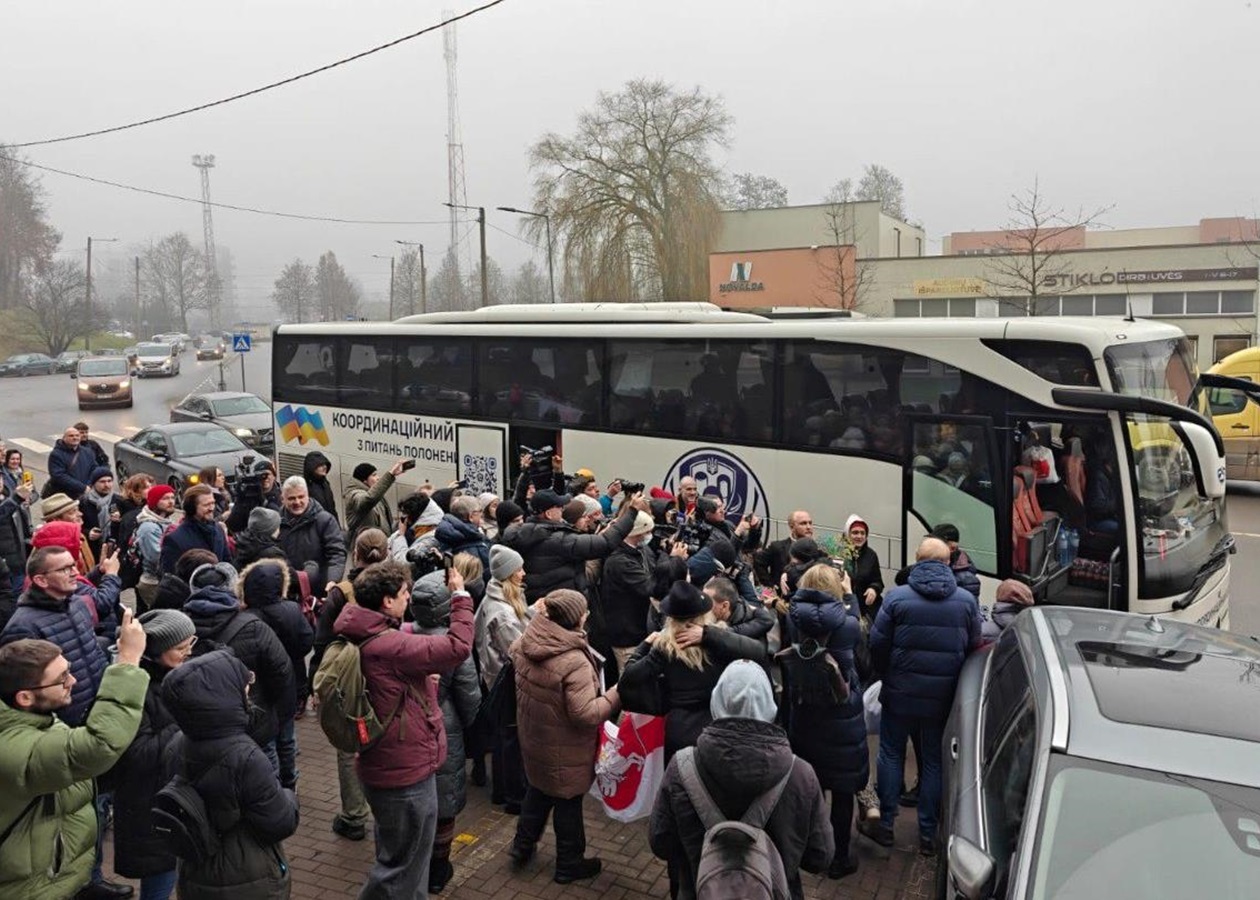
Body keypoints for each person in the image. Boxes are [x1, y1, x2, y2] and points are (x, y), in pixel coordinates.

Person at [333, 560, 474, 900]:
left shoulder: (361, 632)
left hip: (383, 764)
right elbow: (458, 646)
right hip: (404, 773)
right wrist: (460, 595)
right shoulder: (391, 646)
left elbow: (387, 686)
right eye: (403, 593)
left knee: (400, 855)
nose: (408, 597)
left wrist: (421, 681)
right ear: (386, 601)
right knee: (402, 866)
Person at [648, 660, 834, 900]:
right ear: (770, 705)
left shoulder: (682, 767)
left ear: (716, 701)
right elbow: (820, 856)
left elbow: (661, 842)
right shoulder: (801, 774)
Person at [0, 618, 148, 900]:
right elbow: (98, 745)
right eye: (62, 678)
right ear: (25, 697)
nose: (74, 681)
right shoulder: (12, 748)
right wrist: (128, 662)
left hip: (49, 875)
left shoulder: (30, 718)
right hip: (29, 889)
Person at [865, 537, 982, 855]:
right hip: (941, 697)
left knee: (890, 753)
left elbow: (877, 643)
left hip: (899, 692)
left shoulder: (896, 598)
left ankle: (887, 825)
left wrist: (887, 674)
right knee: (932, 761)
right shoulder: (965, 601)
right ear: (948, 562)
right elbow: (974, 645)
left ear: (917, 561)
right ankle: (928, 834)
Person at [162, 649, 300, 899]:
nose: (247, 689)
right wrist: (289, 796)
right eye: (242, 683)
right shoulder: (246, 757)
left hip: (196, 869)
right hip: (247, 876)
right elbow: (280, 822)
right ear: (221, 695)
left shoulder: (176, 743)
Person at [508, 589, 621, 884]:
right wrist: (616, 695)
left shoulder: (524, 642)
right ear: (576, 619)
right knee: (567, 801)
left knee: (538, 789)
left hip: (534, 738)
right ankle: (569, 863)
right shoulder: (573, 661)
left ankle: (521, 846)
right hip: (566, 747)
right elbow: (585, 714)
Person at [782, 565, 869, 879]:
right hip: (842, 717)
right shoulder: (846, 623)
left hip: (806, 713)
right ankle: (839, 858)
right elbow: (860, 640)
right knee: (843, 792)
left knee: (810, 787)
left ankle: (810, 849)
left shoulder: (794, 619)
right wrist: (849, 595)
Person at [619, 580, 768, 760]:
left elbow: (628, 678)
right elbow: (758, 652)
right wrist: (709, 635)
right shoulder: (719, 639)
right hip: (717, 723)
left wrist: (644, 645)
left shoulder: (665, 648)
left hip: (679, 729)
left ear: (670, 617)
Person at [407, 556, 483, 894]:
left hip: (409, 730)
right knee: (445, 803)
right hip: (446, 732)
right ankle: (439, 868)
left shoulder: (402, 635)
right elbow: (470, 696)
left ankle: (418, 865)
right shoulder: (452, 644)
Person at [112, 609, 198, 900]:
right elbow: (136, 754)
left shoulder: (174, 675)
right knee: (160, 878)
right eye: (180, 648)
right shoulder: (136, 688)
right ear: (155, 650)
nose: (188, 653)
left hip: (171, 795)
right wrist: (185, 718)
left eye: (190, 644)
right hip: (147, 804)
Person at [311, 528, 389, 842]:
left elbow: (323, 640)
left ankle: (354, 816)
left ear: (355, 553)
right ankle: (386, 812)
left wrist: (314, 684)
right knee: (386, 738)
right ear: (386, 554)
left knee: (350, 743)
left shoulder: (342, 591)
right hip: (388, 672)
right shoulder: (398, 585)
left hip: (350, 676)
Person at [0, 546, 119, 725]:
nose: (75, 572)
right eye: (65, 569)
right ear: (41, 580)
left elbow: (93, 652)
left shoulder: (78, 605)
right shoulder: (22, 627)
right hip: (66, 724)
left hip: (99, 708)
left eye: (73, 565)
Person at [183, 562, 296, 749]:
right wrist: (273, 719)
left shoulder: (178, 628)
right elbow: (282, 674)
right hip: (252, 725)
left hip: (199, 728)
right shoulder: (253, 627)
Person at [239, 559, 313, 790]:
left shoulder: (247, 617)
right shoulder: (291, 610)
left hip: (260, 687)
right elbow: (306, 641)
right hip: (289, 683)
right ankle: (290, 780)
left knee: (267, 740)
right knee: (287, 738)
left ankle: (273, 786)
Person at [500, 489, 644, 602]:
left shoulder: (523, 534)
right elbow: (605, 544)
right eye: (560, 507)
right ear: (549, 513)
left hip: (539, 605)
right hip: (562, 608)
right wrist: (631, 512)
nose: (563, 510)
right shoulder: (559, 540)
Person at [475, 545, 532, 815]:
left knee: (504, 736)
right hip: (505, 679)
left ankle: (503, 791)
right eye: (519, 569)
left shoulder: (495, 598)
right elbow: (518, 649)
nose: (523, 573)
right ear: (508, 574)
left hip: (495, 676)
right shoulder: (502, 613)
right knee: (510, 738)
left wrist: (532, 612)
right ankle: (514, 796)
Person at [600, 510, 658, 673]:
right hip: (627, 637)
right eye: (647, 532)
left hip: (638, 630)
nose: (650, 535)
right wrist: (673, 560)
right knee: (630, 683)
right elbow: (649, 587)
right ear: (637, 532)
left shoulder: (638, 551)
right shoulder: (620, 561)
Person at [277, 476, 346, 598]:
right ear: (283, 499)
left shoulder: (325, 520)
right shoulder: (276, 522)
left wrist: (333, 580)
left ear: (308, 495)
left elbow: (336, 553)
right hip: (287, 591)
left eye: (301, 497)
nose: (297, 502)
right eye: (292, 498)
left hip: (319, 590)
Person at [158, 485, 230, 573]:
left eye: (213, 503)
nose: (212, 508)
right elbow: (170, 576)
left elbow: (227, 562)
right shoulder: (174, 539)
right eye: (206, 505)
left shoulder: (218, 529)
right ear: (191, 508)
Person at [705, 573, 775, 649]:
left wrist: (723, 633)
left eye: (707, 602)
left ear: (725, 606)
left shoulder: (750, 624)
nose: (702, 606)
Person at [754, 509, 814, 591]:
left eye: (810, 523)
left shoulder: (816, 550)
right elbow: (758, 561)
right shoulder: (777, 547)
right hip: (782, 597)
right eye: (803, 523)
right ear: (792, 527)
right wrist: (770, 585)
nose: (808, 527)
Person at [343, 460, 404, 540]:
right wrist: (390, 475)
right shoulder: (354, 494)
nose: (378, 478)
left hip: (379, 545)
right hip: (366, 547)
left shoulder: (375, 495)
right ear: (364, 480)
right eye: (374, 475)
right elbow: (367, 500)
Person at [436, 495, 491, 575]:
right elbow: (485, 573)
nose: (482, 514)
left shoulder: (446, 536)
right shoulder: (475, 543)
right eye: (480, 511)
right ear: (471, 516)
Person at [0, 475, 33, 601]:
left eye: (1, 478)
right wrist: (16, 498)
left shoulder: (8, 497)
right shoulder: (12, 499)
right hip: (4, 566)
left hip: (17, 560)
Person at [846, 514, 885, 620]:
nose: (859, 536)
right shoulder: (838, 554)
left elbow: (878, 581)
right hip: (845, 609)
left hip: (866, 610)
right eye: (855, 532)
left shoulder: (871, 555)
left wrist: (874, 589)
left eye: (863, 533)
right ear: (847, 534)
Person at [930, 523, 981, 599]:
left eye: (938, 543)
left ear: (952, 547)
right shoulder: (926, 565)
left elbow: (968, 608)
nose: (932, 545)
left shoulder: (967, 578)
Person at [78, 467, 119, 563]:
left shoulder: (118, 501)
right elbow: (75, 527)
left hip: (111, 549)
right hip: (91, 549)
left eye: (109, 481)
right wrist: (88, 533)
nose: (107, 485)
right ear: (93, 484)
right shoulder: (83, 502)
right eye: (102, 482)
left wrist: (118, 520)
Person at [231, 506, 289, 572]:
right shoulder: (273, 554)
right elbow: (291, 577)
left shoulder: (243, 545)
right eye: (278, 526)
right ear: (271, 529)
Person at [47, 426, 98, 500]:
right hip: (65, 496)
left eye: (77, 435)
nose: (75, 438)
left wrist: (90, 485)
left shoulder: (87, 452)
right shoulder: (56, 454)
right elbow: (59, 476)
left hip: (86, 494)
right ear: (64, 438)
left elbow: (94, 468)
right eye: (71, 436)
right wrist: (82, 487)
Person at [302, 450, 338, 524]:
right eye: (320, 465)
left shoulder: (325, 484)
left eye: (325, 464)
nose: (324, 467)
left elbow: (332, 509)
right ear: (311, 467)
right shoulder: (305, 487)